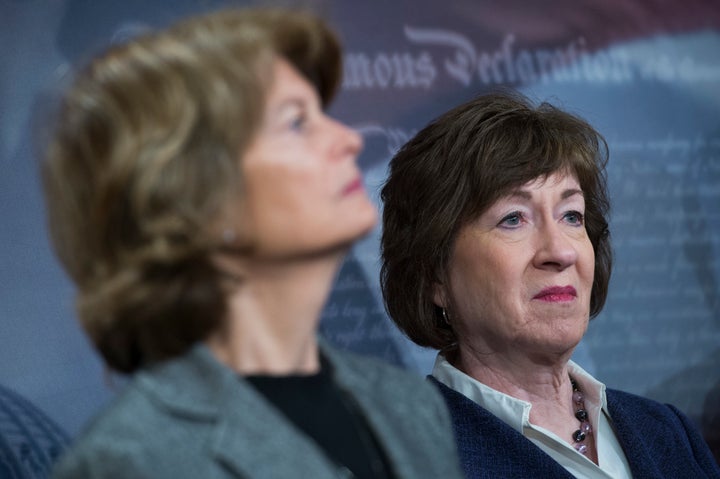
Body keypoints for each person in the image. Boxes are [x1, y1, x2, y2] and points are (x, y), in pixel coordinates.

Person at [42, 7, 463, 479]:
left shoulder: (412, 406)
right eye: (296, 123)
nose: (347, 139)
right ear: (194, 198)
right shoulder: (132, 460)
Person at [380, 91, 720, 478]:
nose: (560, 251)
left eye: (572, 216)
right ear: (434, 275)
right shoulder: (406, 461)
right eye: (513, 219)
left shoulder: (667, 432)